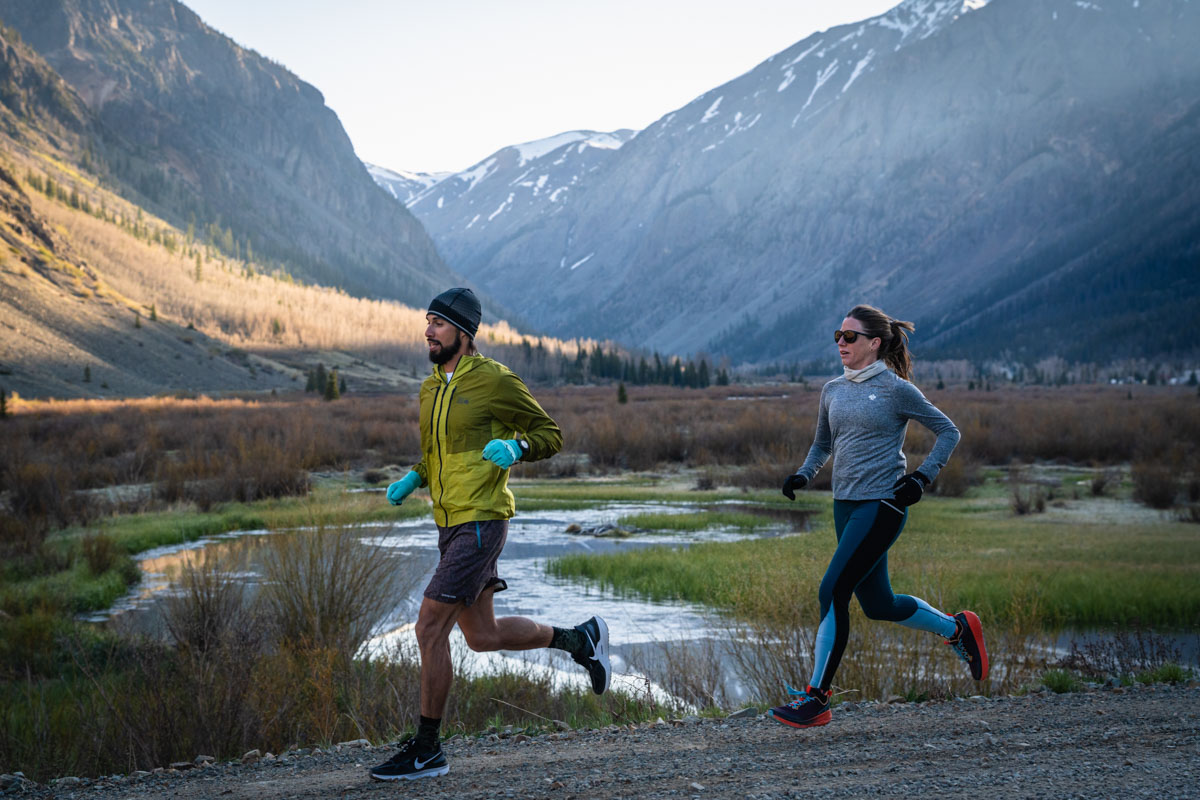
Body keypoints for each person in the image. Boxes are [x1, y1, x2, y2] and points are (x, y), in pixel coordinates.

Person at [369, 288, 611, 781]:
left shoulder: (495, 381)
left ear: (463, 331)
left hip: (481, 521)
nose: (428, 330)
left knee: (428, 628)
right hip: (448, 521)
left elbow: (551, 434)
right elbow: (436, 452)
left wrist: (517, 446)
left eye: (438, 322)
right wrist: (415, 477)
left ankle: (428, 749)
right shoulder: (430, 387)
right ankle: (582, 640)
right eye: (427, 321)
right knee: (481, 636)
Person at [770, 304, 987, 730]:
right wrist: (803, 473)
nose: (840, 343)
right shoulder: (832, 389)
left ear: (874, 343)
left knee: (832, 590)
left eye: (849, 337)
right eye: (838, 335)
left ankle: (816, 698)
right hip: (845, 505)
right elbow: (823, 444)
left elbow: (949, 431)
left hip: (882, 504)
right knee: (878, 604)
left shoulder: (896, 389)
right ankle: (957, 628)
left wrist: (922, 477)